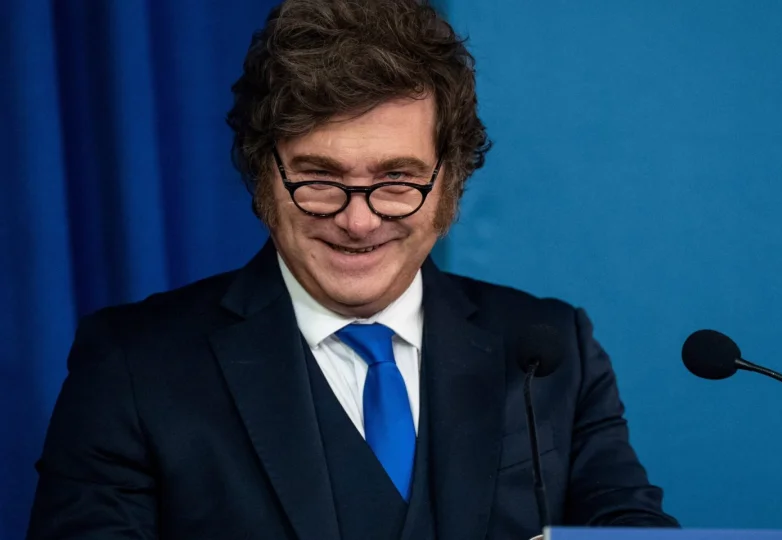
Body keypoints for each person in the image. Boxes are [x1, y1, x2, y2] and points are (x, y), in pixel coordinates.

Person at [27, 0, 678, 538]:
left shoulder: (553, 348)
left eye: (397, 181)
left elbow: (629, 525)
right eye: (319, 178)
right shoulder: (132, 365)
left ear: (449, 185)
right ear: (262, 177)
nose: (359, 221)